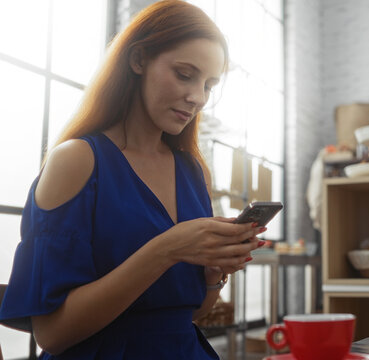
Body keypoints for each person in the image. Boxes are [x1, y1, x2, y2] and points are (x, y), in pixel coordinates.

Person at [0, 1, 264, 358]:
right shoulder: (78, 160)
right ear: (138, 60)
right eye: (185, 74)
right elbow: (52, 334)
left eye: (209, 85)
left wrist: (214, 272)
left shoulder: (193, 171)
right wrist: (167, 248)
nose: (198, 97)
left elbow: (192, 312)